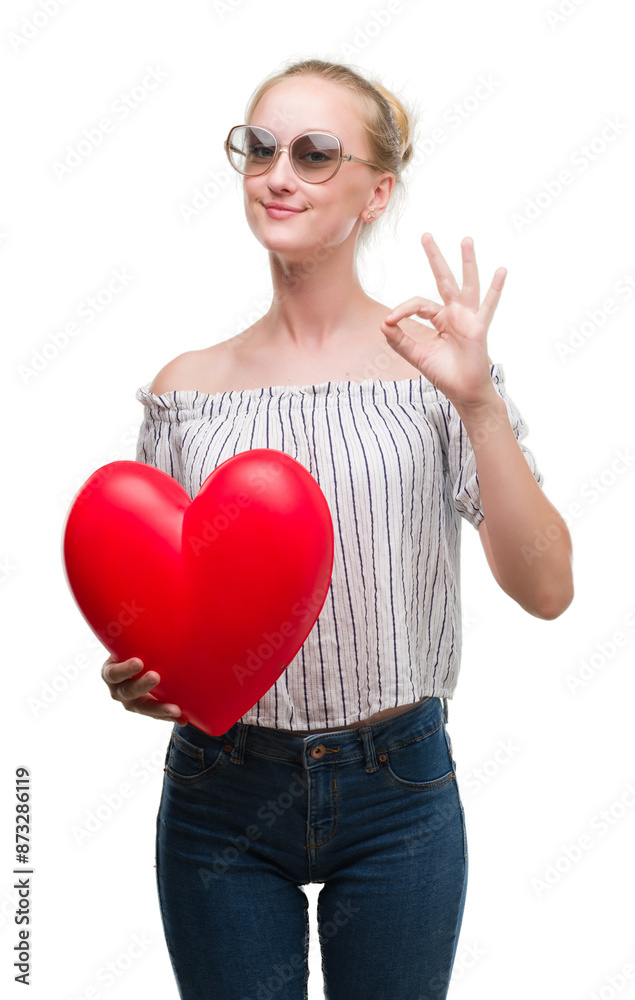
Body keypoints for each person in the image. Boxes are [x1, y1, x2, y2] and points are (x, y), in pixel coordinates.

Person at [101, 58, 574, 1000]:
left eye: (315, 154)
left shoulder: (433, 371)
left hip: (396, 793)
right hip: (218, 795)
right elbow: (158, 603)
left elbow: (548, 589)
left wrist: (475, 401)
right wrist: (141, 675)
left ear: (375, 192)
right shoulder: (187, 391)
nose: (279, 173)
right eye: (260, 148)